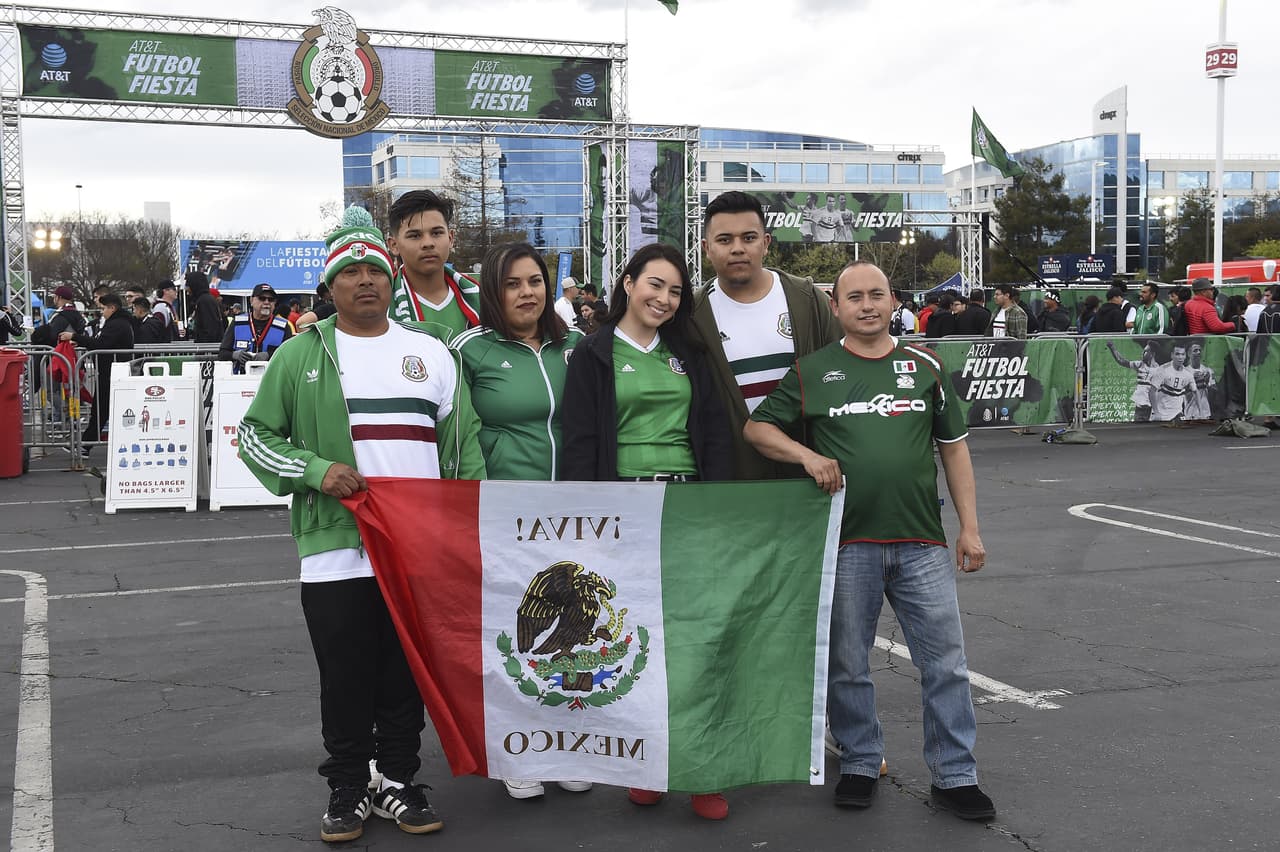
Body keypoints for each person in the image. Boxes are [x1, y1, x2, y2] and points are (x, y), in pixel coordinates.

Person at [238, 206, 485, 843]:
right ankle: (348, 786)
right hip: (334, 552)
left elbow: (463, 453)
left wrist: (457, 533)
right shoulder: (299, 356)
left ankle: (400, 781)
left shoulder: (428, 353)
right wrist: (317, 470)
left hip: (415, 552)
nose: (365, 280)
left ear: (391, 273)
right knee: (345, 676)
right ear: (331, 287)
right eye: (350, 272)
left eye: (375, 267)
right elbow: (254, 437)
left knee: (405, 676)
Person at [744, 260, 994, 822]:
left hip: (922, 543)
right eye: (853, 297)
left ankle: (955, 776)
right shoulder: (814, 371)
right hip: (846, 543)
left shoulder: (925, 366)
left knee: (946, 664)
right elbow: (758, 428)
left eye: (876, 295)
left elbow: (953, 448)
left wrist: (969, 527)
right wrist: (808, 456)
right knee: (847, 664)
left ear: (892, 301)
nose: (866, 306)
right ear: (836, 309)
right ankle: (860, 760)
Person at [561, 242, 732, 821]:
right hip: (621, 512)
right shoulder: (593, 353)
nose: (664, 298)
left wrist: (718, 506)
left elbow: (713, 433)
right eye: (654, 285)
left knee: (697, 646)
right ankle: (648, 765)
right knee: (636, 644)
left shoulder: (690, 352)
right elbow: (580, 442)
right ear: (628, 284)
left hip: (686, 505)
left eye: (676, 290)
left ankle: (702, 770)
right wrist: (583, 525)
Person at [451, 243, 590, 801]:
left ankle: (570, 741)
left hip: (576, 513)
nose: (527, 292)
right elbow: (457, 432)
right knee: (517, 632)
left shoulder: (576, 347)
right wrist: (478, 499)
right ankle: (519, 748)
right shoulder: (471, 350)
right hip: (505, 514)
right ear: (493, 291)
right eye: (513, 284)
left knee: (574, 633)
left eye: (536, 281)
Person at [691, 191, 840, 480]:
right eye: (725, 240)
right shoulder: (692, 315)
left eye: (748, 238)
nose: (737, 248)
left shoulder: (808, 300)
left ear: (766, 243)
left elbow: (840, 380)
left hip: (809, 479)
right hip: (730, 482)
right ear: (706, 248)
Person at [386, 189, 481, 343]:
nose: (428, 243)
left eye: (436, 233)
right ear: (394, 245)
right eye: (415, 236)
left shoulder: (482, 299)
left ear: (450, 238)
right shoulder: (382, 305)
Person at [60, 292, 134, 451]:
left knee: (101, 409)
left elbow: (101, 343)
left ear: (112, 308)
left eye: (103, 308)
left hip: (112, 372)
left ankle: (86, 445)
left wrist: (75, 337)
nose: (102, 312)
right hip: (112, 371)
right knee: (100, 409)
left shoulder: (117, 324)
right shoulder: (118, 323)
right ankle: (86, 444)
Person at [218, 283, 294, 373]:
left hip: (271, 378)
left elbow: (290, 356)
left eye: (271, 300)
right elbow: (222, 354)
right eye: (262, 298)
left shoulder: (283, 326)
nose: (266, 302)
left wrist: (269, 355)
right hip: (242, 379)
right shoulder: (238, 322)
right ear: (251, 300)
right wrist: (235, 355)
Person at [1106, 339, 1157, 422]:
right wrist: (1112, 348)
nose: (1143, 354)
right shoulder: (1140, 365)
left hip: (1152, 410)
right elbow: (1122, 361)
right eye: (1143, 351)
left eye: (1146, 352)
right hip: (1139, 408)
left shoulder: (1159, 370)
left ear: (1152, 354)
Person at [1149, 343, 1195, 422]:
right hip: (1162, 415)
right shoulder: (1162, 370)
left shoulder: (1188, 374)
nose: (1180, 357)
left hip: (1178, 413)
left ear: (1185, 356)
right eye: (1177, 354)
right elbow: (1152, 391)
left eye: (1182, 354)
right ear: (1172, 355)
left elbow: (1192, 392)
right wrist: (1156, 412)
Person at [186, 271, 224, 343]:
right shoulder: (204, 300)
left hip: (208, 349)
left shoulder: (205, 301)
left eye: (188, 285)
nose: (187, 289)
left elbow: (211, 329)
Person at [1183, 341, 1215, 421]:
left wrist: (1207, 383)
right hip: (1190, 413)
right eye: (1195, 350)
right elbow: (1180, 393)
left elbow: (1214, 394)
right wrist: (1193, 381)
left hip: (1205, 413)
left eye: (1200, 350)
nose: (1198, 352)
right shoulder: (1184, 372)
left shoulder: (1208, 371)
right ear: (1189, 354)